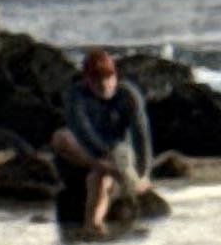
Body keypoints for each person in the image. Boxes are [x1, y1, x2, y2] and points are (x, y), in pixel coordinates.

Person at [52, 45, 153, 234]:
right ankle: (108, 171)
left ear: (115, 77)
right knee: (61, 137)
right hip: (83, 156)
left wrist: (144, 172)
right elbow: (83, 132)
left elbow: (141, 136)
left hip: (116, 157)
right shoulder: (77, 96)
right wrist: (101, 159)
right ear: (87, 80)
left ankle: (94, 225)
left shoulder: (128, 95)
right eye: (97, 80)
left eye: (109, 78)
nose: (105, 85)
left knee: (98, 177)